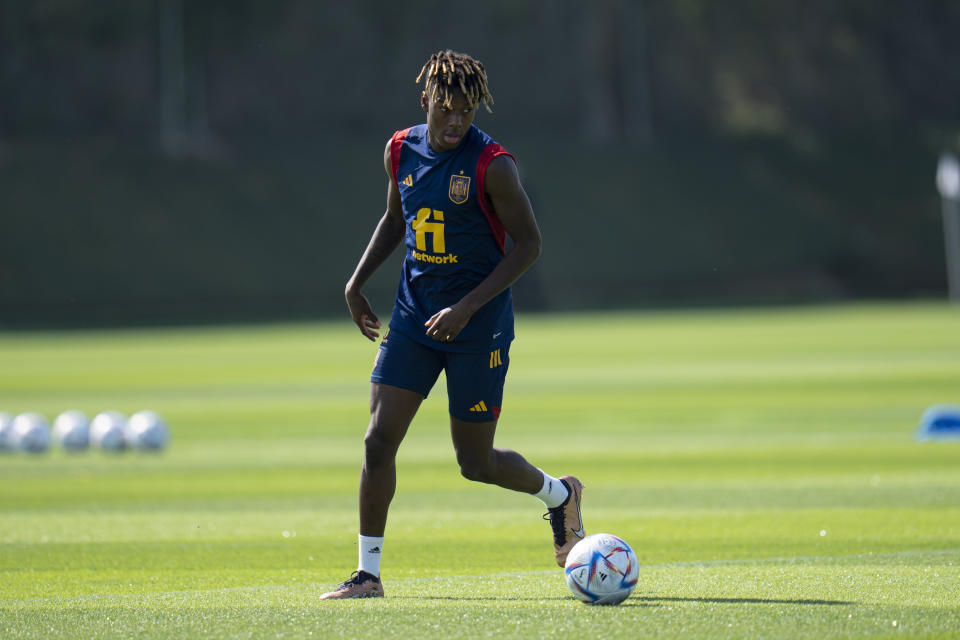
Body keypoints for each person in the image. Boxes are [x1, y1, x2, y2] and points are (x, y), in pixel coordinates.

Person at [321, 50, 584, 600]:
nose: (456, 121)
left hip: (478, 327)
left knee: (475, 462)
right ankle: (368, 575)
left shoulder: (494, 165)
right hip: (415, 317)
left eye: (466, 111)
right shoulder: (401, 149)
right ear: (426, 102)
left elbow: (530, 247)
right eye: (446, 109)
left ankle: (560, 496)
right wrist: (356, 281)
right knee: (377, 441)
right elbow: (398, 219)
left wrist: (466, 307)